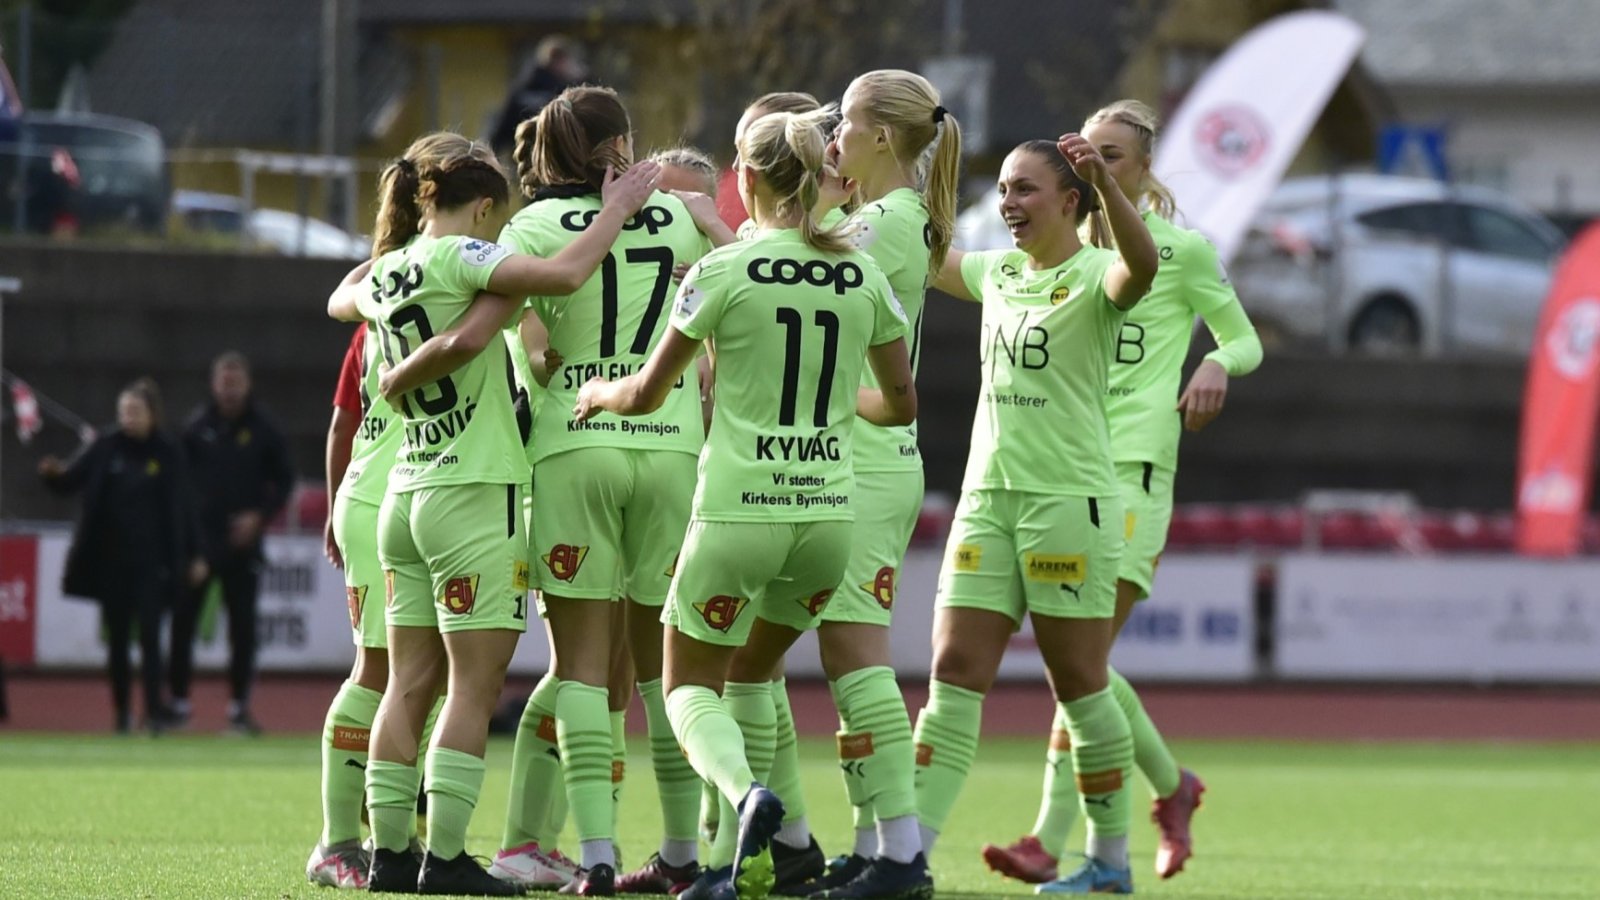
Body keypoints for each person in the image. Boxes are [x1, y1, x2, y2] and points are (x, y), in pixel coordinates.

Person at [573, 107, 917, 900]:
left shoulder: (724, 270)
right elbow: (902, 404)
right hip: (827, 520)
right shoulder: (860, 273)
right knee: (755, 670)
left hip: (738, 513)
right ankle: (763, 860)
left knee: (688, 685)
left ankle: (744, 798)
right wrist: (829, 401)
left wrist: (596, 392)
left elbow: (647, 392)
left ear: (748, 179)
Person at [325, 130, 661, 895]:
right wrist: (615, 209)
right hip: (473, 494)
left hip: (405, 494)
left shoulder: (389, 271)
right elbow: (566, 273)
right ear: (481, 207)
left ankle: (389, 855)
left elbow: (340, 297)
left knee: (408, 683)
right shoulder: (463, 257)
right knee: (472, 687)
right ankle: (445, 856)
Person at [982, 99, 1263, 890]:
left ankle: (1051, 838)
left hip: (1133, 470)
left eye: (1110, 154)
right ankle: (1171, 785)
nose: (1093, 165)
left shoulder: (1178, 251)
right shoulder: (1056, 255)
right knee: (1082, 669)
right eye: (1083, 153)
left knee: (1082, 667)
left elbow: (1243, 337)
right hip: (1060, 471)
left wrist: (1216, 363)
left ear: (1141, 168)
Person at [720, 69, 958, 900]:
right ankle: (863, 847)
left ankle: (897, 856)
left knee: (851, 657)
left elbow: (783, 262)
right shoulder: (891, 217)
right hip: (849, 461)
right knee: (803, 661)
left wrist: (735, 216)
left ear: (881, 137)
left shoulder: (883, 225)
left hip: (867, 462)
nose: (833, 141)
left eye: (845, 125)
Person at [910, 134, 1159, 895]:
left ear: (1071, 201)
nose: (1009, 203)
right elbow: (921, 252)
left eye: (1025, 190)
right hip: (987, 501)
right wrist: (894, 177)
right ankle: (905, 854)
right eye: (1004, 190)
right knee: (953, 672)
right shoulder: (998, 272)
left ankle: (1109, 861)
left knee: (1079, 683)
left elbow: (1143, 266)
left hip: (1068, 504)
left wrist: (1107, 185)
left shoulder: (1096, 273)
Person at [488, 84, 712, 897]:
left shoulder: (532, 227)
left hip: (574, 444)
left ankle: (598, 855)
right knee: (663, 671)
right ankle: (680, 854)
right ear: (623, 143)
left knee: (580, 670)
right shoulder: (680, 215)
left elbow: (521, 341)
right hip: (671, 448)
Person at [40, 378, 207, 734]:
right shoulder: (105, 445)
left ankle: (154, 714)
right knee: (117, 642)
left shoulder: (168, 452)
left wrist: (196, 554)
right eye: (124, 411)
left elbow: (185, 507)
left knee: (151, 640)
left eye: (136, 411)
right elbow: (71, 479)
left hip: (154, 565)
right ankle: (122, 714)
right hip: (111, 564)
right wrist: (53, 475)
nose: (129, 417)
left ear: (152, 414)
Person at [305, 323, 403, 889]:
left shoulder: (370, 319)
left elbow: (345, 421)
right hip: (386, 498)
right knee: (379, 668)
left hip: (399, 494)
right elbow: (342, 422)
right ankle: (336, 842)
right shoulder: (454, 300)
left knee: (426, 676)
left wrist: (333, 503)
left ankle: (393, 836)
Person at [169, 351, 294, 734]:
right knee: (183, 623)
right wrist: (190, 540)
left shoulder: (265, 428)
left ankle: (239, 708)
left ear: (247, 384)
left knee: (243, 630)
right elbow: (179, 485)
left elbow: (285, 480)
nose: (230, 390)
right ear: (213, 385)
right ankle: (178, 704)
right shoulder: (196, 427)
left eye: (236, 382)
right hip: (201, 546)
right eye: (224, 382)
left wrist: (260, 517)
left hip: (243, 546)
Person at [488, 35, 588, 158]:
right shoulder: (556, 89)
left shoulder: (525, 84)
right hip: (544, 152)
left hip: (522, 151)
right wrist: (580, 81)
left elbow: (502, 126)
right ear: (559, 61)